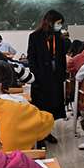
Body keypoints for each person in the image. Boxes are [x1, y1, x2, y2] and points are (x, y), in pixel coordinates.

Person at [26, 9, 67, 143]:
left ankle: (47, 132)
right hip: (42, 77)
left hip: (56, 77)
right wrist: (36, 73)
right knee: (41, 106)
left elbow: (62, 57)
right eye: (58, 23)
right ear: (50, 22)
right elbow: (31, 57)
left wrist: (63, 74)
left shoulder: (59, 37)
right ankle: (39, 135)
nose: (59, 25)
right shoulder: (35, 36)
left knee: (53, 107)